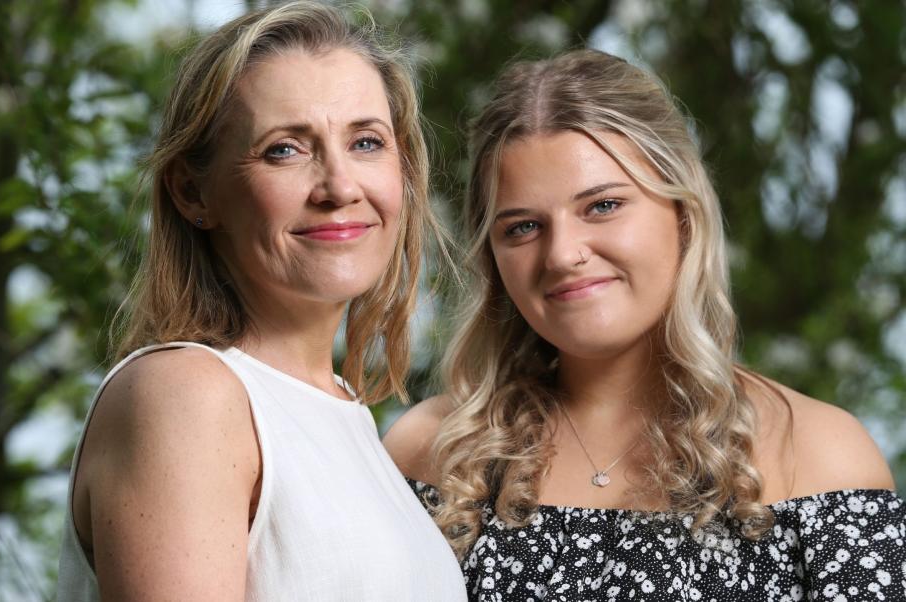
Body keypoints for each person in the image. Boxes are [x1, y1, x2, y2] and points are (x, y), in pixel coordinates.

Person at [385, 48, 906, 601]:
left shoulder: (820, 456)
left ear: (683, 214)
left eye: (603, 206)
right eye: (523, 227)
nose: (563, 254)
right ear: (492, 257)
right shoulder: (429, 451)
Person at [56, 3, 467, 600]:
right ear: (193, 191)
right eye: (284, 149)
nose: (341, 187)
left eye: (367, 142)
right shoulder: (187, 395)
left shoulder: (344, 414)